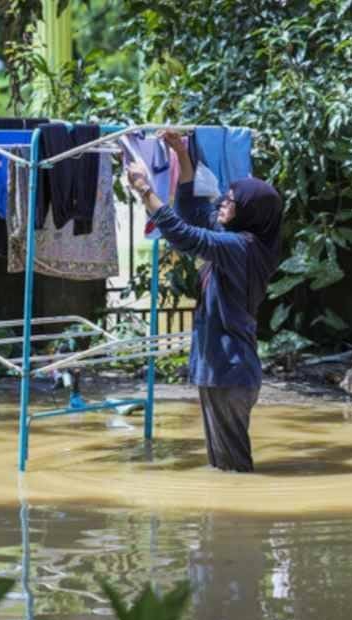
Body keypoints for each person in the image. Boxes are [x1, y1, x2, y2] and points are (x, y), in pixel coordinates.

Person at [126, 131, 283, 472]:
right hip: (225, 372)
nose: (223, 203)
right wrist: (182, 153)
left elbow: (183, 234)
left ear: (251, 212)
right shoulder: (237, 239)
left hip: (230, 373)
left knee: (234, 471)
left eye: (231, 200)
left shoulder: (239, 248)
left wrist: (145, 190)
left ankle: (242, 522)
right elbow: (194, 210)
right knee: (225, 467)